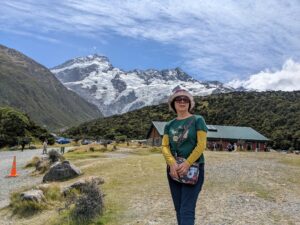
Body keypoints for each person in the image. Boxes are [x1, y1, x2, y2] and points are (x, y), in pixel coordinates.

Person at [162, 89, 207, 225]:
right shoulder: (169, 125)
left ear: (190, 103)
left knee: (187, 209)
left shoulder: (198, 120)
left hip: (193, 167)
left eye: (185, 99)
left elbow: (201, 145)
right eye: (179, 99)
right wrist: (172, 163)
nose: (182, 101)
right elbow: (164, 146)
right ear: (173, 103)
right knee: (179, 208)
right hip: (174, 169)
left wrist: (187, 163)